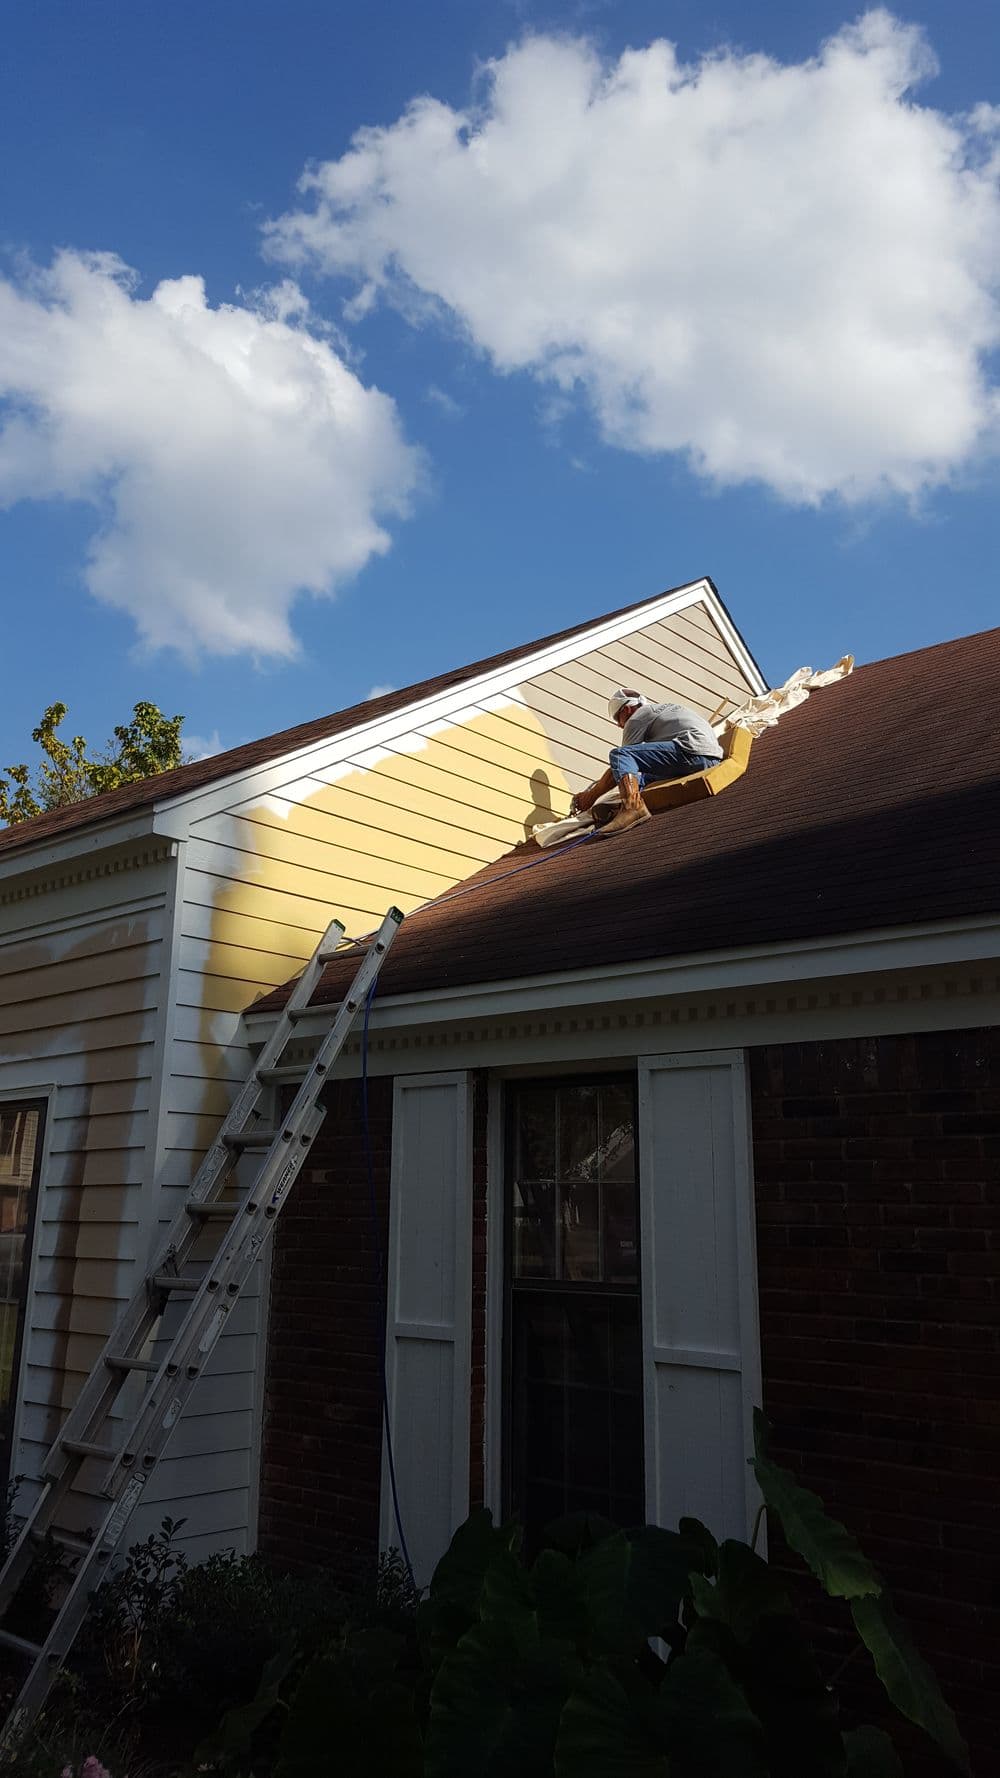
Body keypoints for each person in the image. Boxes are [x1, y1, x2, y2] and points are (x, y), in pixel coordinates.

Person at [572, 688, 723, 838]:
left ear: (627, 709)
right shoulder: (663, 710)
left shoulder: (637, 717)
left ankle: (632, 807)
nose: (619, 725)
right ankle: (618, 808)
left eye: (618, 718)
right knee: (642, 775)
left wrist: (590, 796)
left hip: (691, 751)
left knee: (619, 755)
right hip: (711, 759)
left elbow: (619, 764)